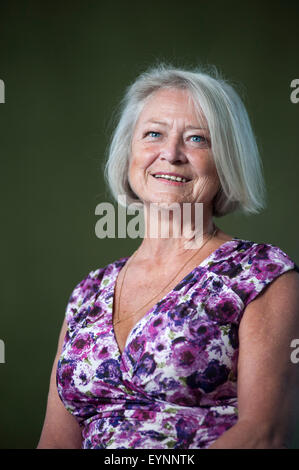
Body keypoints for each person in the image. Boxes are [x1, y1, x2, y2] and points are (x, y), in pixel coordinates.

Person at [37, 63, 299, 449]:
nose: (171, 154)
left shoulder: (261, 275)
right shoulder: (87, 294)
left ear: (226, 161)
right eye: (154, 134)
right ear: (129, 153)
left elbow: (264, 436)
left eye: (197, 139)